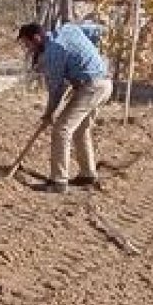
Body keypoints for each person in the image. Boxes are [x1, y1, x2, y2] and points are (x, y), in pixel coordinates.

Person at [16, 22, 113, 193]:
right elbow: (94, 32)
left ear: (37, 38)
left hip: (91, 86)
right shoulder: (68, 29)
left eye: (27, 43)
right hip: (104, 82)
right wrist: (85, 59)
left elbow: (56, 90)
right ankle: (88, 175)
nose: (27, 48)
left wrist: (49, 114)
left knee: (62, 129)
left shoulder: (53, 53)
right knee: (81, 129)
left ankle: (58, 181)